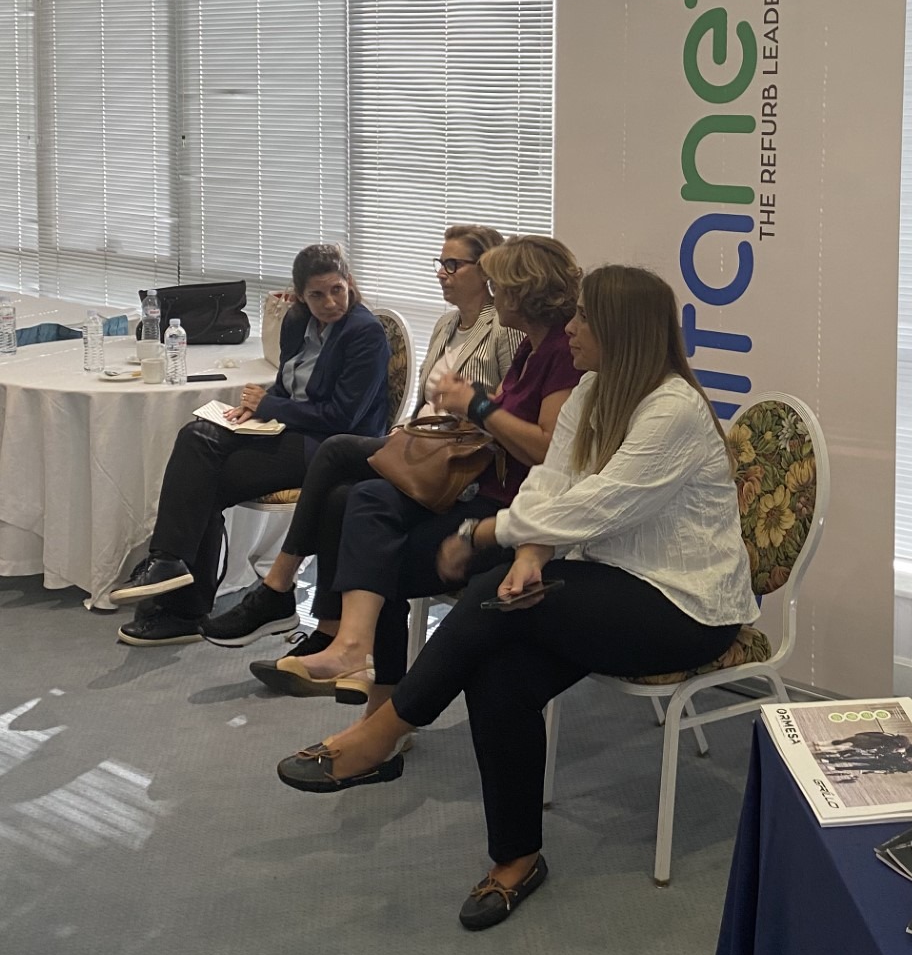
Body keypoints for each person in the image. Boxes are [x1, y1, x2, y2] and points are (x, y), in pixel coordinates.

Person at [272, 264, 754, 931]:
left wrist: (486, 532)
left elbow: (600, 504)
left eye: (584, 317)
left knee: (489, 598)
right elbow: (553, 484)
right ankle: (516, 857)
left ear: (621, 331)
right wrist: (529, 554)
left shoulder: (673, 410)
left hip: (687, 607)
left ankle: (383, 732)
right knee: (499, 672)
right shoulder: (593, 390)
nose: (571, 327)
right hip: (609, 581)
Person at [242, 235, 582, 701]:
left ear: (525, 295)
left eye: (500, 286)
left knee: (374, 549)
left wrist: (477, 404)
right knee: (356, 498)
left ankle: (370, 682)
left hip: (507, 508)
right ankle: (352, 652)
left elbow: (545, 449)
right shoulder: (530, 348)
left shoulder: (560, 354)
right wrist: (469, 405)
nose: (494, 293)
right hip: (474, 483)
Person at [200, 223, 515, 651]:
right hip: (421, 446)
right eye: (440, 263)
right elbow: (424, 404)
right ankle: (329, 632)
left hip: (461, 461)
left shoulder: (503, 330)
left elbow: (506, 409)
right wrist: (407, 431)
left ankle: (278, 585)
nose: (442, 273)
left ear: (486, 269)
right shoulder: (445, 325)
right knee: (339, 498)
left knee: (336, 450)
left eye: (453, 265)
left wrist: (468, 402)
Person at [111, 243, 389, 646]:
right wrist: (255, 408)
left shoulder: (365, 333)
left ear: (349, 283)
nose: (330, 302)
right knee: (195, 436)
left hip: (331, 447)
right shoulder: (297, 321)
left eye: (337, 290)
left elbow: (342, 417)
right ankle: (169, 566)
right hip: (290, 429)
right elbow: (292, 384)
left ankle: (180, 602)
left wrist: (270, 406)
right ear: (300, 295)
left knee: (200, 483)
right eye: (317, 295)